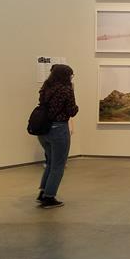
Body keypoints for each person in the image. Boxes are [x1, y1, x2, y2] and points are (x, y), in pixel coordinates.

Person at [36, 64, 78, 209]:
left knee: (51, 162)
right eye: (71, 75)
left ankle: (43, 193)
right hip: (58, 129)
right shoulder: (66, 90)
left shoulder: (46, 88)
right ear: (66, 76)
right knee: (58, 165)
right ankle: (49, 197)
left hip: (43, 130)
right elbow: (72, 111)